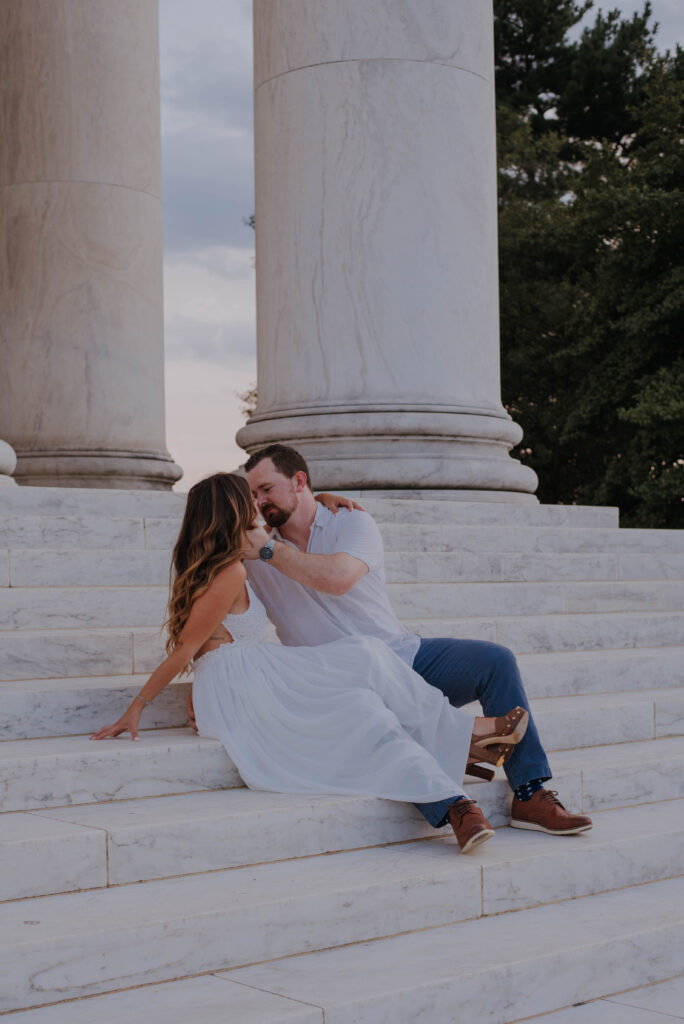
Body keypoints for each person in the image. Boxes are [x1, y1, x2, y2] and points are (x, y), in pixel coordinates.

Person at [91, 472, 532, 854]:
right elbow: (187, 649)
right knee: (363, 710)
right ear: (230, 511)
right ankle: (461, 788)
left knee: (367, 657)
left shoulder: (238, 560)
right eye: (249, 500)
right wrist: (138, 706)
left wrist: (317, 499)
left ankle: (463, 778)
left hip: (256, 674)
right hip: (243, 686)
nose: (257, 506)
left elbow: (284, 536)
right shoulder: (231, 572)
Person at [219, 443, 591, 837]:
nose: (259, 501)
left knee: (495, 661)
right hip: (336, 682)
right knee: (375, 716)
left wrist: (269, 548)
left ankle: (530, 794)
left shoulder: (349, 522)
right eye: (253, 494)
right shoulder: (253, 554)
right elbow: (219, 602)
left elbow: (338, 578)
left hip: (403, 656)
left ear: (299, 482)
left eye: (266, 489)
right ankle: (455, 804)